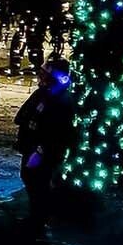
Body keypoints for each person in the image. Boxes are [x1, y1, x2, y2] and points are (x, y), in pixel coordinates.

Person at [14, 57, 75, 230]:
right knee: (28, 178)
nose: (41, 75)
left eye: (45, 72)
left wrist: (40, 152)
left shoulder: (61, 100)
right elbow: (24, 115)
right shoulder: (44, 93)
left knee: (38, 183)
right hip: (31, 145)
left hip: (43, 151)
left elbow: (56, 132)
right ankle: (36, 217)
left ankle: (38, 222)